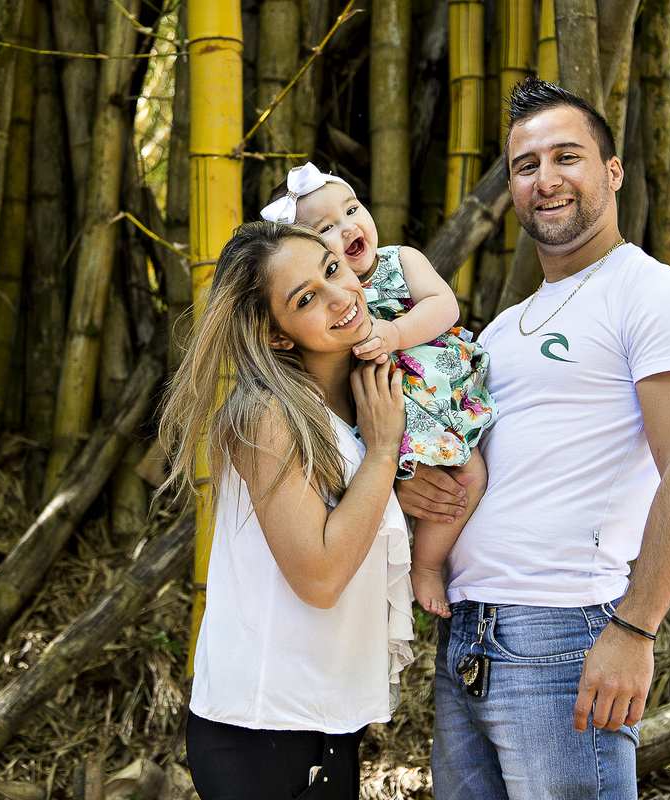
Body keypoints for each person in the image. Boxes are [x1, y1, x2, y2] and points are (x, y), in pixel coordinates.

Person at [397, 76, 670, 799]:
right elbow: (459, 451)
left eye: (566, 157)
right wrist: (411, 483)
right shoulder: (502, 328)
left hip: (565, 632)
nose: (546, 179)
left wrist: (634, 630)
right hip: (466, 633)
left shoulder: (653, 295)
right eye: (526, 165)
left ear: (613, 171)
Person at [158, 221, 415, 800]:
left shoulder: (360, 405)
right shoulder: (265, 415)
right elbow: (319, 577)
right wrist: (382, 454)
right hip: (263, 730)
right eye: (305, 299)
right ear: (275, 336)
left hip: (326, 721)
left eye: (332, 269)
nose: (339, 296)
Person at [262, 163, 497, 618]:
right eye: (326, 228)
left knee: (470, 475)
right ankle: (418, 567)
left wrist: (395, 333)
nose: (348, 227)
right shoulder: (327, 309)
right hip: (382, 413)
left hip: (434, 398)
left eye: (352, 210)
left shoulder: (400, 260)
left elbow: (444, 304)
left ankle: (428, 564)